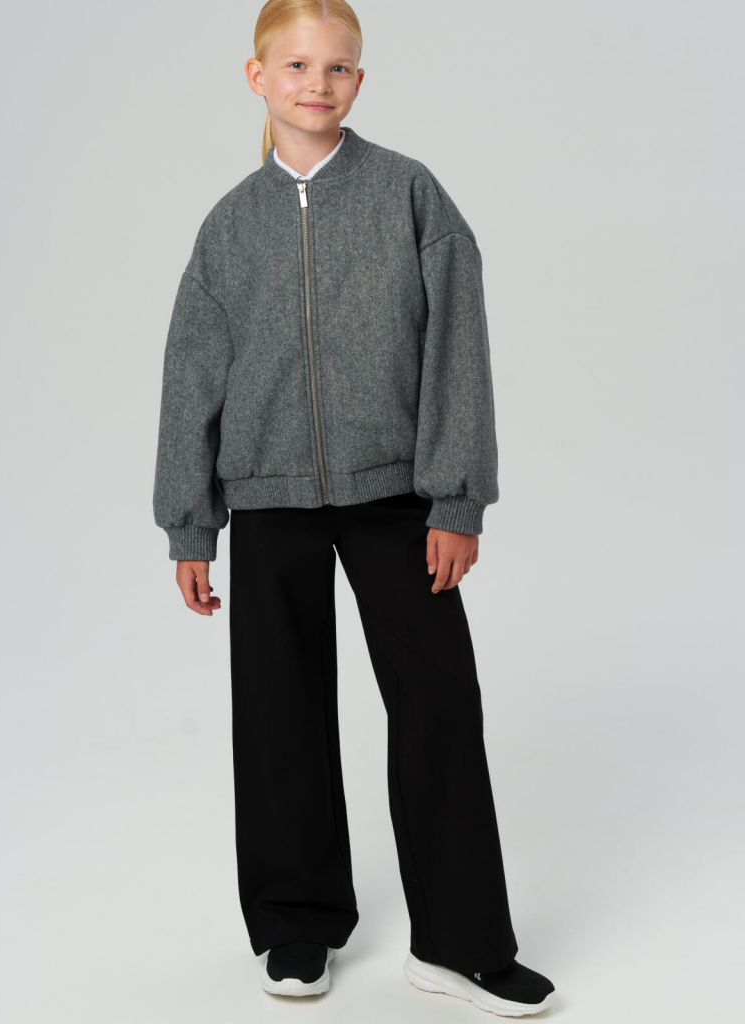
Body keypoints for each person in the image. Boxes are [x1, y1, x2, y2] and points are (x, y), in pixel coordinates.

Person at [152, 0, 555, 1015]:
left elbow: (457, 349)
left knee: (438, 702)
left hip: (397, 496)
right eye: (296, 66)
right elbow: (191, 376)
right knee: (279, 712)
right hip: (268, 497)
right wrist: (189, 522)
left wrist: (456, 496)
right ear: (257, 77)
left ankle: (460, 942)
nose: (317, 84)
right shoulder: (229, 226)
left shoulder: (409, 194)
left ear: (359, 83)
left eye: (337, 68)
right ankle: (296, 926)